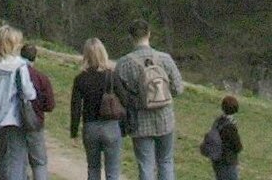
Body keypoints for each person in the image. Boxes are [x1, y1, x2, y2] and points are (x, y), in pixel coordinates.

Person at [114, 20, 185, 180]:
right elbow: (178, 88)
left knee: (145, 164)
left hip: (140, 121)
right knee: (166, 162)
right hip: (165, 118)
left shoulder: (124, 63)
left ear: (131, 37)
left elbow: (120, 94)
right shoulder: (165, 58)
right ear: (149, 34)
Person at [0, 23, 38, 180]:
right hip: (13, 117)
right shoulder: (19, 66)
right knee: (16, 159)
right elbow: (28, 93)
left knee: (2, 156)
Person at [71, 37, 125, 180]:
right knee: (112, 171)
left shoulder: (80, 79)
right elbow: (125, 99)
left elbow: (75, 107)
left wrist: (74, 132)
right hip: (111, 126)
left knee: (93, 169)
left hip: (90, 127)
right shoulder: (112, 76)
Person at [22, 43, 56, 180]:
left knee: (18, 161)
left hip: (13, 121)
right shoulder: (41, 78)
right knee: (39, 163)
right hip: (34, 122)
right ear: (35, 58)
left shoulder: (14, 73)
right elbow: (50, 105)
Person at [199, 96, 241, 180]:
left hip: (217, 159)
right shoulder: (230, 127)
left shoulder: (218, 121)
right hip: (228, 161)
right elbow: (237, 146)